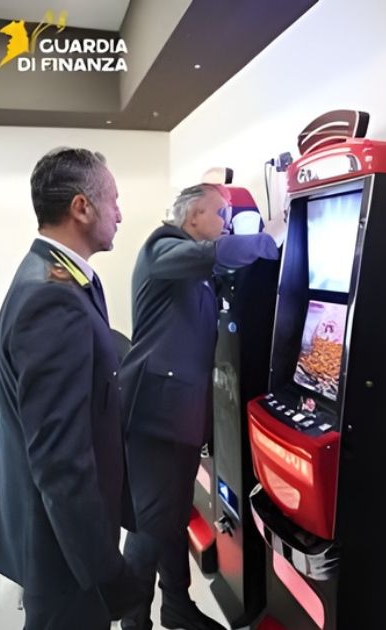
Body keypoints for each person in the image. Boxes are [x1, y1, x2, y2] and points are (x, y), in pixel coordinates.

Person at [0, 147, 154, 630]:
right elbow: (60, 461)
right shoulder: (52, 298)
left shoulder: (57, 275)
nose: (120, 214)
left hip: (60, 536)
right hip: (63, 551)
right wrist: (107, 572)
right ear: (82, 207)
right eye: (113, 200)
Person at [118, 183, 288, 630]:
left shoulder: (191, 263)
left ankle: (176, 605)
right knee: (151, 524)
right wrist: (272, 235)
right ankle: (132, 620)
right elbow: (214, 254)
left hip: (178, 412)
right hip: (156, 416)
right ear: (192, 217)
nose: (227, 224)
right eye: (220, 214)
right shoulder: (163, 247)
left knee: (171, 516)